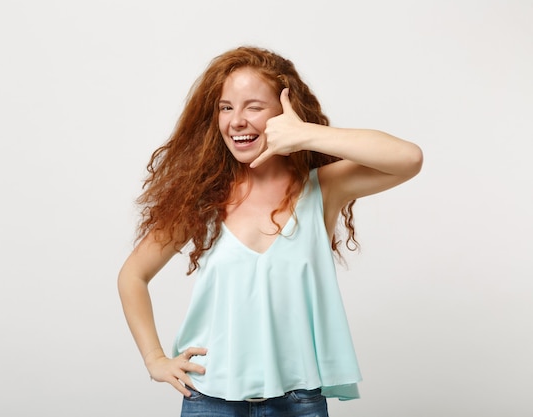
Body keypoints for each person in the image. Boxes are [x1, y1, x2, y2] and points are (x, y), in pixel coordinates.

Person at [118, 45, 423, 416]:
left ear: (284, 112)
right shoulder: (204, 198)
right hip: (209, 400)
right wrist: (155, 359)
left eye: (254, 107)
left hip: (299, 402)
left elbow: (408, 159)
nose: (236, 120)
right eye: (226, 107)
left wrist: (306, 134)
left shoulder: (322, 189)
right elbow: (133, 275)